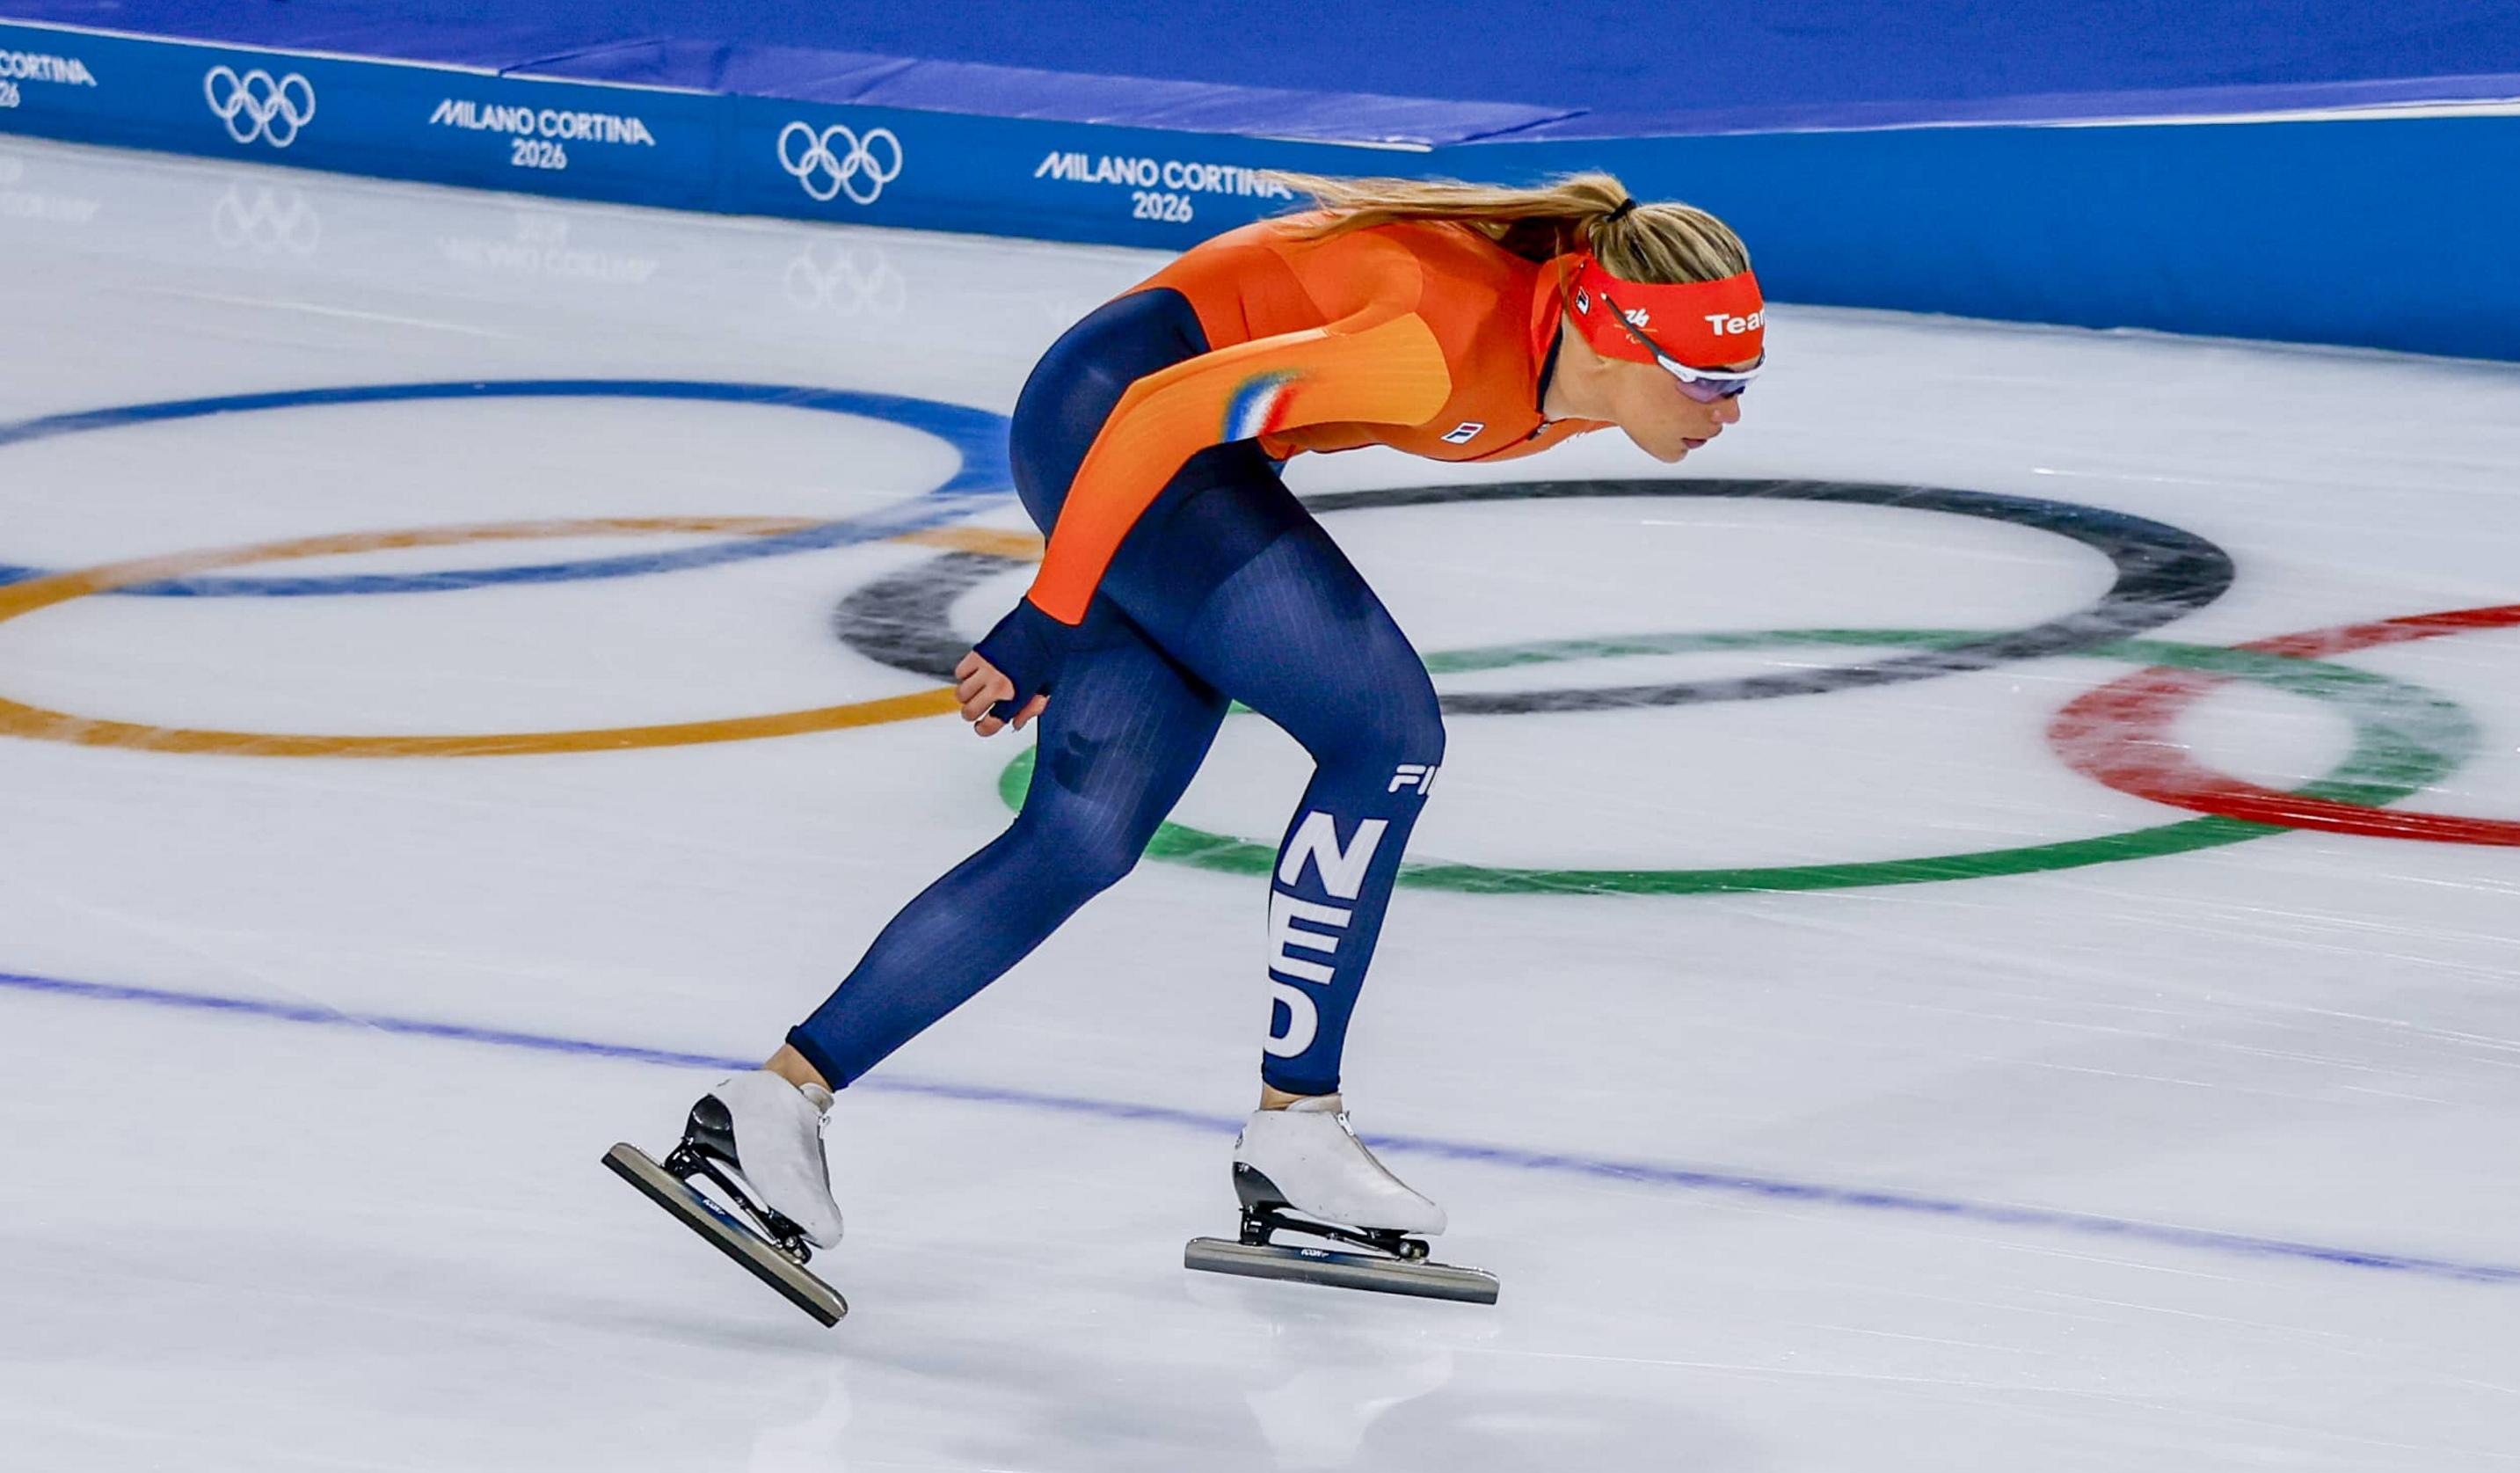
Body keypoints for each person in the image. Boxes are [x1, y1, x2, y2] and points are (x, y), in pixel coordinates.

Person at [652, 171, 1760, 1291]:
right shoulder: (1434, 338)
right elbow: (1160, 411)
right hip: (1118, 420)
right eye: (1709, 380)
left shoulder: (1564, 364)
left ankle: (767, 1106)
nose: (1727, 411)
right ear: (1611, 335)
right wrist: (1049, 616)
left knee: (1079, 839)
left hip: (1192, 460)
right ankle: (1297, 1125)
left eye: (1742, 381)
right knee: (1387, 736)